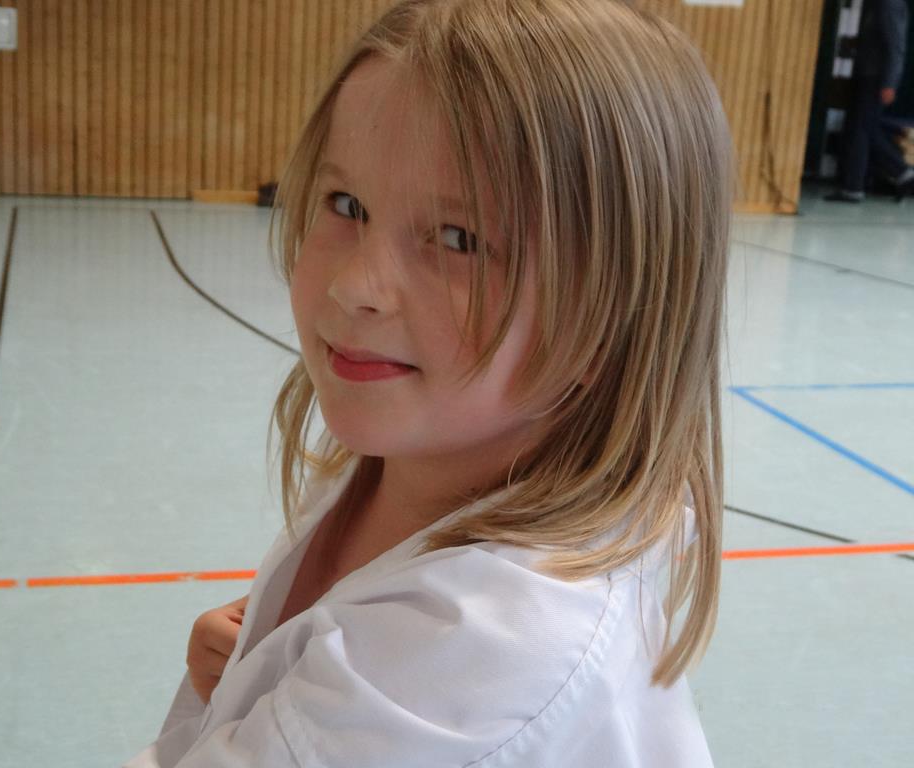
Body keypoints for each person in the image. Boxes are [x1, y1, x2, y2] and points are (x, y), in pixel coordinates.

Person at [125, 0, 732, 765]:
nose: (354, 285)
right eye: (347, 205)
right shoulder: (411, 456)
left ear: (611, 315)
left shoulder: (473, 650)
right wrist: (259, 668)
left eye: (458, 238)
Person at [826, 0, 913, 202]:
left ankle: (856, 186)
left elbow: (896, 46)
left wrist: (890, 83)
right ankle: (899, 172)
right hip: (868, 74)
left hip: (876, 78)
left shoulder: (889, 3)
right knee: (864, 129)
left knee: (862, 130)